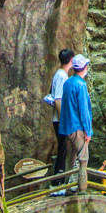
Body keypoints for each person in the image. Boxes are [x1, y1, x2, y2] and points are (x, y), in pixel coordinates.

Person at [56, 52, 92, 193]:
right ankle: (81, 189)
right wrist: (88, 131)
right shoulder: (81, 85)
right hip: (78, 127)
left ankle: (69, 187)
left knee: (71, 159)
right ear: (84, 67)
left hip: (67, 127)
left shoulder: (68, 83)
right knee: (83, 159)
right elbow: (84, 111)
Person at [44, 48, 74, 179]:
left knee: (62, 149)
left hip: (58, 119)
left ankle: (59, 178)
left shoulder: (60, 74)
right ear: (71, 60)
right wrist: (64, 119)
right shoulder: (61, 76)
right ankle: (58, 180)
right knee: (62, 150)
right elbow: (58, 99)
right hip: (59, 119)